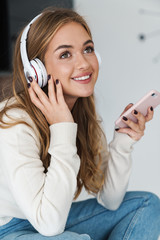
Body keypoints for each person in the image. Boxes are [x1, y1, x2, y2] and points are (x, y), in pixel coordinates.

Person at [0, 7, 160, 240]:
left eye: (88, 49)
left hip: (52, 217)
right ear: (37, 71)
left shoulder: (83, 113)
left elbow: (111, 200)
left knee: (146, 205)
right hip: (10, 229)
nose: (84, 63)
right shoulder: (14, 122)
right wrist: (62, 128)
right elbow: (49, 226)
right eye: (65, 54)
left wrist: (123, 141)